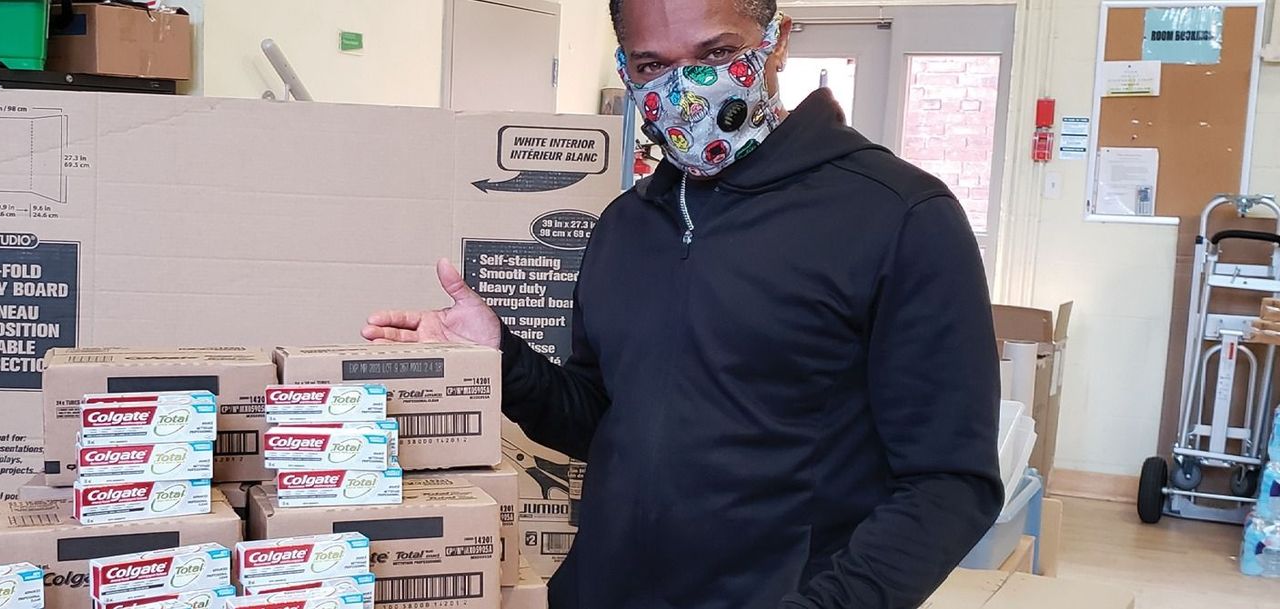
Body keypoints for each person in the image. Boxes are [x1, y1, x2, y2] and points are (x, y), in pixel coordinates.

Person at [363, 0, 1002, 606]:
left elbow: (950, 484)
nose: (686, 88)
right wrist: (501, 360)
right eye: (654, 66)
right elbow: (606, 422)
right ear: (627, 72)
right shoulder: (625, 225)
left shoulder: (900, 217)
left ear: (776, 42)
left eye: (717, 52)